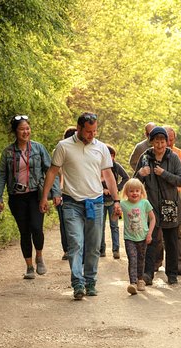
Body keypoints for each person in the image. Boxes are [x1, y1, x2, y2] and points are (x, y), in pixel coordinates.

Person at [40, 112, 122, 300]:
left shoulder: (100, 148)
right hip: (71, 203)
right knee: (75, 243)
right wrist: (45, 197)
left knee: (93, 246)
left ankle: (90, 281)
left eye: (94, 131)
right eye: (88, 131)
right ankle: (78, 282)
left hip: (96, 203)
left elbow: (108, 175)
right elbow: (53, 172)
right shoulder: (64, 146)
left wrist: (117, 200)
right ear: (78, 128)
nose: (92, 134)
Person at [0, 114, 51, 279]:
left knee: (36, 228)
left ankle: (39, 256)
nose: (26, 132)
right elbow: (1, 176)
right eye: (22, 129)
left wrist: (53, 193)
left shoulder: (39, 149)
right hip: (16, 197)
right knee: (24, 231)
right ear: (15, 132)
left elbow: (50, 171)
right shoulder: (8, 152)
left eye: (27, 128)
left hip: (35, 195)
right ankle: (29, 267)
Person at [135, 126, 181, 285]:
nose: (160, 145)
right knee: (150, 240)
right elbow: (134, 183)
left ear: (167, 142)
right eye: (156, 141)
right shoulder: (145, 158)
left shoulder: (174, 157)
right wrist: (140, 175)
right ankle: (148, 274)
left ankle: (172, 274)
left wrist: (163, 173)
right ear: (151, 142)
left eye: (163, 141)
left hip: (170, 205)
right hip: (151, 206)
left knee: (171, 241)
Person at [164, 125, 181, 275]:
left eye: (172, 139)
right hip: (159, 196)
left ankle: (179, 263)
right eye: (166, 139)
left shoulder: (180, 154)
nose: (169, 143)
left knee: (177, 231)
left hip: (175, 195)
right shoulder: (154, 153)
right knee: (158, 233)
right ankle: (156, 263)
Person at [120, 178, 156, 295]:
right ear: (126, 192)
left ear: (141, 192)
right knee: (132, 258)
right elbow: (115, 218)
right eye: (131, 191)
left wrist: (149, 233)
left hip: (143, 237)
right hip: (129, 238)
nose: (134, 193)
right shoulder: (123, 204)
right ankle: (133, 283)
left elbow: (152, 218)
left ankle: (140, 280)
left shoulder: (145, 203)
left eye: (137, 190)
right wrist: (115, 214)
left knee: (141, 259)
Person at [51, 126, 76, 261]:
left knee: (68, 222)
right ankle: (67, 249)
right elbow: (55, 174)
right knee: (64, 222)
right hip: (62, 191)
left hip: (72, 191)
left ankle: (71, 249)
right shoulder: (59, 151)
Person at [100, 145, 129, 258]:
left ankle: (115, 250)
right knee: (100, 226)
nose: (110, 157)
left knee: (114, 226)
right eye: (108, 155)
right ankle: (101, 249)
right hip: (101, 200)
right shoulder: (99, 166)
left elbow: (126, 177)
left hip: (113, 201)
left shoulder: (116, 166)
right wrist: (102, 190)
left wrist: (116, 188)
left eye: (112, 155)